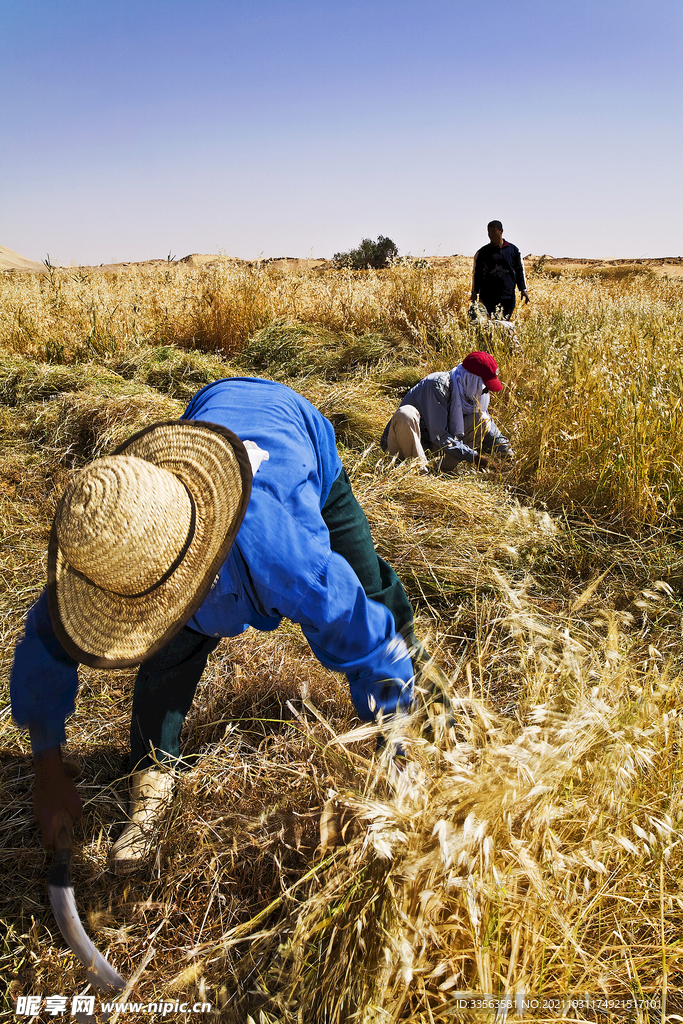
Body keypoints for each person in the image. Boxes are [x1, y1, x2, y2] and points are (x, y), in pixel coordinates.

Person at [11, 377, 438, 873]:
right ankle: (152, 775)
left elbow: (365, 637)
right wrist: (47, 764)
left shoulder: (288, 560)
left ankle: (431, 697)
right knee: (169, 653)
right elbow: (45, 643)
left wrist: (394, 748)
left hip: (297, 432)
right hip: (214, 408)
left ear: (200, 568)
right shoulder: (112, 542)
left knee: (369, 586)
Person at [380, 351, 513, 473]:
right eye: (484, 387)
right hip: (401, 449)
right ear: (471, 380)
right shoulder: (437, 385)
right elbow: (439, 436)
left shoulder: (469, 392)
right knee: (406, 413)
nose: (486, 392)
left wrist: (510, 457)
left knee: (482, 419)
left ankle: (438, 471)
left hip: (431, 451)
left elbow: (491, 431)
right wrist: (475, 457)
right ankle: (421, 477)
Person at [471, 220, 529, 320]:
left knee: (504, 324)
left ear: (501, 231)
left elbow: (519, 270)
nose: (490, 234)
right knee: (489, 325)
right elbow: (477, 274)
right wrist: (474, 292)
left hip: (507, 296)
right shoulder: (483, 253)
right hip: (488, 297)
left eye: (494, 231)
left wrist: (523, 289)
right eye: (489, 232)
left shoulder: (513, 250)